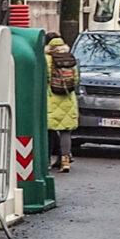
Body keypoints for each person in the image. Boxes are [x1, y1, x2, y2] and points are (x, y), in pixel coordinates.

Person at [45, 33, 79, 173]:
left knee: (49, 131)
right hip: (67, 98)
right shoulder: (70, 58)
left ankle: (46, 161)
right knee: (66, 131)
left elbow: (45, 78)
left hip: (51, 98)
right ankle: (65, 160)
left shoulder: (46, 59)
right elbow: (76, 80)